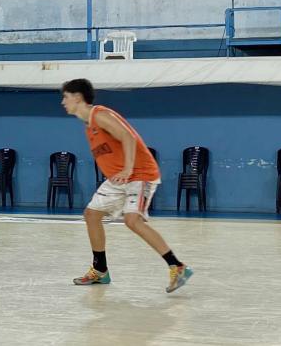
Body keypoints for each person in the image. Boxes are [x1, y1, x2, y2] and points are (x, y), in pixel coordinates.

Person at [61, 78, 193, 293]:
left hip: (139, 174)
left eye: (65, 97)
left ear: (77, 97)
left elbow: (128, 137)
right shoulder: (89, 126)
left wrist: (128, 169)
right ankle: (100, 270)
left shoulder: (100, 115)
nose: (63, 102)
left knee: (132, 220)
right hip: (118, 179)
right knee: (91, 214)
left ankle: (177, 266)